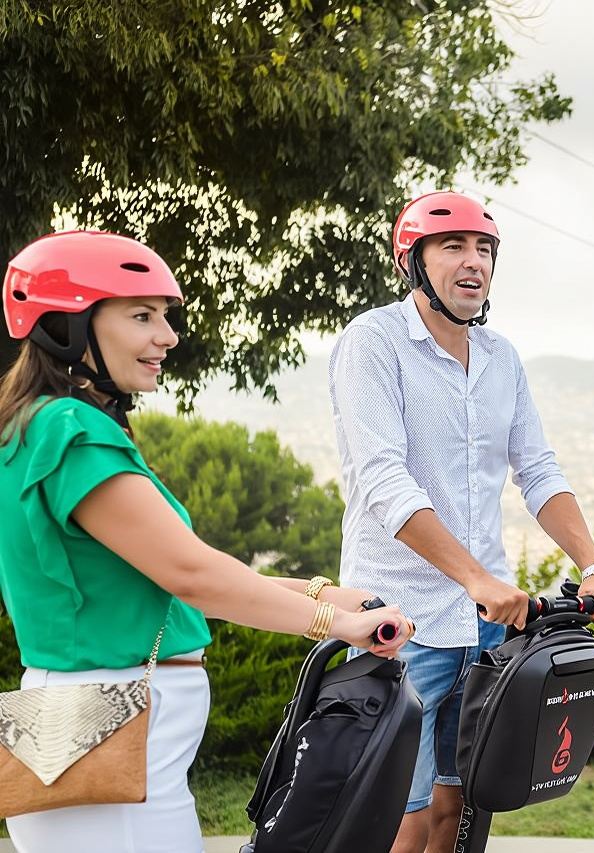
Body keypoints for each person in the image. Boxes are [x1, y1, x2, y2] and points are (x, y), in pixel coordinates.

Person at [0, 230, 413, 853]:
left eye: (165, 317)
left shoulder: (41, 427)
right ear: (66, 326)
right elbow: (193, 576)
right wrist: (332, 622)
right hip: (107, 719)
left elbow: (177, 582)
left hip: (102, 715)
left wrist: (322, 592)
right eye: (141, 317)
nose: (166, 336)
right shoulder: (71, 432)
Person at [328, 191, 594, 853]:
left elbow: (539, 471)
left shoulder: (501, 358)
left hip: (484, 629)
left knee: (462, 808)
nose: (474, 263)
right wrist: (475, 577)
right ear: (412, 261)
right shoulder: (373, 342)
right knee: (397, 818)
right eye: (453, 247)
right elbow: (383, 480)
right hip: (398, 623)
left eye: (484, 249)